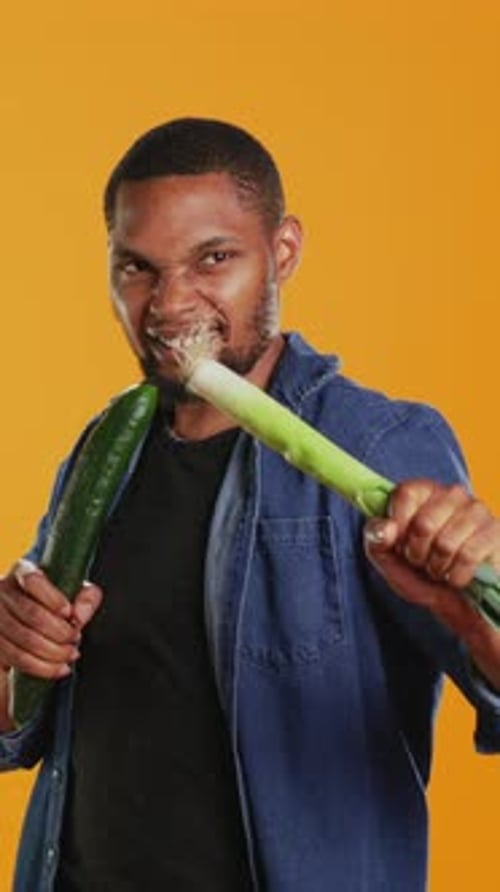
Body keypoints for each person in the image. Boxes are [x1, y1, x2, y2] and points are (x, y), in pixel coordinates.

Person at [1, 118, 500, 892]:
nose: (169, 304)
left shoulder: (380, 442)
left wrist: (476, 613)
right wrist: (12, 656)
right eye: (137, 268)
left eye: (214, 259)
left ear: (284, 252)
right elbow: (20, 727)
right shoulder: (103, 453)